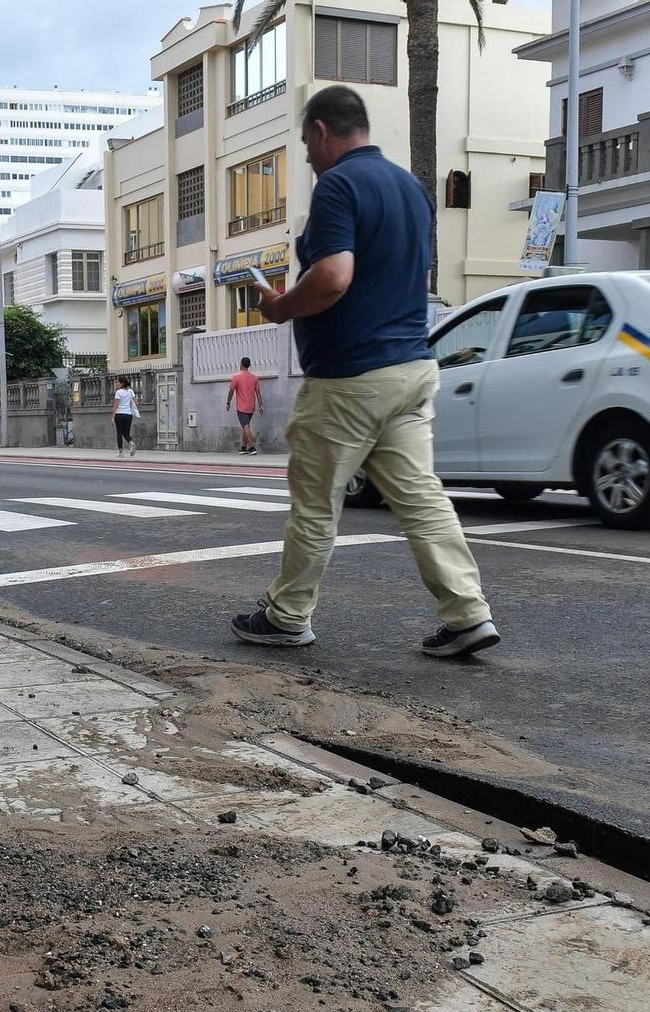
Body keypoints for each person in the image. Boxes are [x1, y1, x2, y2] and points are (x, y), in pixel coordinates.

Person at [230, 86, 499, 660]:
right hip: (411, 368)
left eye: (306, 143)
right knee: (422, 499)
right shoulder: (412, 190)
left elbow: (333, 277)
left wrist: (277, 306)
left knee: (315, 501)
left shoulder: (339, 186)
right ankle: (467, 612)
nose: (307, 157)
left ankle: (287, 615)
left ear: (324, 131)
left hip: (351, 377)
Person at [226, 356, 261, 455]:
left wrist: (228, 403)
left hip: (242, 407)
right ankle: (243, 447)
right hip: (251, 407)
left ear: (241, 364)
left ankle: (252, 447)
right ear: (249, 365)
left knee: (245, 426)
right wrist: (261, 405)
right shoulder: (254, 377)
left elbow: (231, 391)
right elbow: (258, 392)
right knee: (245, 426)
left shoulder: (236, 377)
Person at [112, 377, 139, 457]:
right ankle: (131, 442)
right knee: (126, 432)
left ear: (122, 383)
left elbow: (116, 405)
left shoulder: (118, 392)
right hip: (128, 414)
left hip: (120, 414)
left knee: (119, 433)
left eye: (118, 382)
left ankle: (120, 452)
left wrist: (113, 416)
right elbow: (136, 403)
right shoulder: (130, 391)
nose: (116, 384)